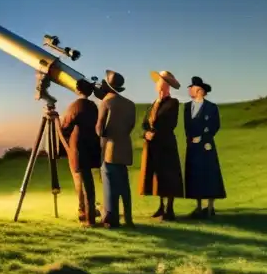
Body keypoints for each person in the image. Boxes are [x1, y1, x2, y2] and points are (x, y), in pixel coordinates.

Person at [139, 70, 185, 221]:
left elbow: (169, 123)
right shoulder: (154, 103)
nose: (157, 84)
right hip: (153, 145)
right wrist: (146, 133)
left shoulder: (173, 103)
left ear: (166, 85)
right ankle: (161, 206)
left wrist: (155, 134)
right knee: (156, 176)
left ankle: (169, 208)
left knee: (169, 176)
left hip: (166, 145)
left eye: (160, 82)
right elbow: (145, 123)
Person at [94, 70, 135, 228]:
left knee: (109, 185)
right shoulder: (130, 104)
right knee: (124, 185)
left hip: (110, 148)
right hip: (125, 147)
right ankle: (129, 218)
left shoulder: (106, 102)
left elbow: (100, 129)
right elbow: (130, 126)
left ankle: (111, 219)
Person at [59, 80, 102, 226]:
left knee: (86, 183)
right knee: (87, 181)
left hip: (80, 148)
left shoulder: (75, 106)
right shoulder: (93, 106)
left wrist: (57, 123)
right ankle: (86, 211)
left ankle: (89, 218)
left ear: (78, 90)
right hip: (92, 147)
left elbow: (65, 126)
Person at [184, 76, 227, 218]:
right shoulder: (187, 107)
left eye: (193, 88)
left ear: (201, 91)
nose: (190, 90)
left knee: (209, 174)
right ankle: (198, 206)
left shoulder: (211, 107)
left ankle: (210, 207)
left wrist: (203, 138)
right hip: (193, 146)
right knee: (195, 175)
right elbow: (187, 126)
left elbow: (215, 125)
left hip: (206, 145)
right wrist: (190, 139)